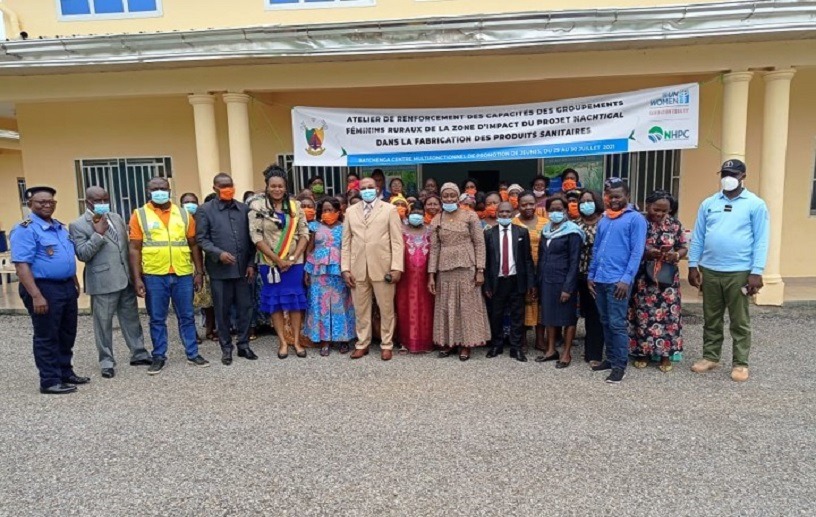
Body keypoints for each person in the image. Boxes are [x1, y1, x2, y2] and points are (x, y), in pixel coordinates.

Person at [688, 159, 769, 382]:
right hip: (711, 269)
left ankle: (740, 362)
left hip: (740, 271)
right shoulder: (709, 203)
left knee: (739, 319)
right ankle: (710, 356)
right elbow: (699, 236)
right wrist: (693, 264)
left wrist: (757, 271)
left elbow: (761, 240)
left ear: (743, 176)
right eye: (724, 173)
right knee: (711, 317)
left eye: (733, 173)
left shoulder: (755, 204)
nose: (728, 177)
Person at [11, 186, 88, 394]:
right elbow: (21, 265)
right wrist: (36, 295)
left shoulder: (58, 227)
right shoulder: (25, 229)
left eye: (50, 202)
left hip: (65, 285)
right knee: (47, 334)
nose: (46, 205)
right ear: (30, 204)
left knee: (67, 332)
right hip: (43, 288)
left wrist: (74, 281)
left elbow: (65, 257)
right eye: (41, 202)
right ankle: (49, 380)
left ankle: (65, 372)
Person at [129, 177, 209, 374]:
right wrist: (137, 278)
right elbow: (134, 249)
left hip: (182, 273)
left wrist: (199, 272)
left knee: (187, 316)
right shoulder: (139, 215)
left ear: (169, 190)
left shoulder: (182, 214)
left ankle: (192, 353)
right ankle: (158, 356)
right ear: (148, 190)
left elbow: (193, 244)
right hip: (154, 275)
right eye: (155, 188)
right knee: (157, 318)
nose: (159, 191)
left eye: (163, 188)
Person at [69, 186, 151, 379]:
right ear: (88, 202)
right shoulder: (78, 224)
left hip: (125, 279)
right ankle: (106, 360)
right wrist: (98, 235)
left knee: (131, 319)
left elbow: (125, 248)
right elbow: (82, 254)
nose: (103, 203)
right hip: (103, 281)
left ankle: (138, 352)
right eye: (98, 200)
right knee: (103, 323)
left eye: (105, 199)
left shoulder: (116, 218)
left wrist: (135, 275)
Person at [587, 178, 647, 384]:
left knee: (616, 323)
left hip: (618, 281)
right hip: (600, 279)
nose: (613, 200)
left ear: (627, 197)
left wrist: (626, 278)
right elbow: (597, 249)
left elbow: (637, 251)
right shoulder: (604, 219)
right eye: (610, 196)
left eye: (618, 196)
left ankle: (619, 366)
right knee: (605, 321)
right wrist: (591, 275)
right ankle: (611, 359)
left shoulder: (635, 219)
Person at [195, 173, 258, 366]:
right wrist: (218, 253)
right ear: (215, 188)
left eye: (230, 185)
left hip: (243, 269)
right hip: (219, 271)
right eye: (223, 186)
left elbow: (252, 239)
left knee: (245, 308)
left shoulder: (244, 209)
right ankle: (226, 348)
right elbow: (202, 239)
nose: (227, 189)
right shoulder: (205, 210)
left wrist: (250, 264)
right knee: (222, 310)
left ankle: (244, 344)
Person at [249, 165, 310, 359]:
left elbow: (304, 233)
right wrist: (278, 260)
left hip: (294, 263)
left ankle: (297, 341)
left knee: (294, 302)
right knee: (275, 302)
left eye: (280, 186)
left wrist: (292, 258)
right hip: (270, 263)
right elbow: (256, 236)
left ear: (286, 187)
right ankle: (283, 342)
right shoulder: (257, 207)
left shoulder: (295, 206)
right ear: (267, 187)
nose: (277, 189)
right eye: (273, 186)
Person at [341, 177, 404, 361]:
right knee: (361, 309)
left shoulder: (390, 209)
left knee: (386, 308)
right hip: (357, 268)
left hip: (383, 267)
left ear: (377, 189)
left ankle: (386, 344)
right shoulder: (351, 212)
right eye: (363, 188)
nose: (367, 190)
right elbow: (346, 243)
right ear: (358, 190)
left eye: (371, 187)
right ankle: (362, 344)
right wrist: (345, 268)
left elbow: (397, 242)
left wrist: (396, 268)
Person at [427, 182, 491, 360]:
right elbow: (434, 249)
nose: (449, 198)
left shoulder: (470, 216)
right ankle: (449, 343)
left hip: (467, 267)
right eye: (445, 195)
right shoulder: (436, 220)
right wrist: (431, 275)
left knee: (467, 307)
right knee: (447, 306)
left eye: (452, 195)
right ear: (441, 198)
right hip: (445, 268)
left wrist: (480, 269)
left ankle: (466, 343)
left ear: (458, 196)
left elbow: (479, 243)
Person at [629, 190, 688, 373]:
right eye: (656, 209)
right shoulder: (640, 223)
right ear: (647, 205)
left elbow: (683, 247)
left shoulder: (675, 226)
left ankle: (665, 355)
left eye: (664, 211)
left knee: (668, 317)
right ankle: (643, 353)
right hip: (644, 278)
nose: (660, 214)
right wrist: (647, 253)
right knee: (642, 315)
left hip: (667, 279)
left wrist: (676, 254)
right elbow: (631, 246)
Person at [535, 196, 584, 368]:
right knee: (548, 316)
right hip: (546, 281)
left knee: (567, 318)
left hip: (564, 281)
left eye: (559, 209)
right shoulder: (546, 229)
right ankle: (550, 350)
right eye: (552, 209)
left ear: (565, 210)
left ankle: (566, 353)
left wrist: (568, 287)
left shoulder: (573, 231)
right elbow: (541, 257)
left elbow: (574, 261)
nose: (555, 213)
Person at [304, 196, 356, 356]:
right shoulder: (314, 226)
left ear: (338, 211)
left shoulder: (345, 227)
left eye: (331, 210)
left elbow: (350, 249)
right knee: (321, 305)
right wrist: (307, 271)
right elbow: (309, 249)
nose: (328, 213)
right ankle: (324, 340)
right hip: (318, 271)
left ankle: (343, 339)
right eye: (325, 210)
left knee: (342, 304)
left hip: (339, 270)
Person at [484, 201, 535, 362]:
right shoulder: (489, 234)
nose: (504, 215)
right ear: (497, 213)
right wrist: (486, 284)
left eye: (507, 212)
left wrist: (530, 283)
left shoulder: (521, 232)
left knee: (517, 315)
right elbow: (486, 262)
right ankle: (497, 345)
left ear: (512, 213)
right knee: (496, 314)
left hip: (516, 279)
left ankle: (516, 347)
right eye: (501, 212)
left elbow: (528, 259)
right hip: (497, 280)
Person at [395, 201, 435, 354]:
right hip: (405, 277)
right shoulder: (400, 230)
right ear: (408, 213)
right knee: (405, 307)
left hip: (426, 277)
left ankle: (427, 342)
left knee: (426, 308)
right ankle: (405, 341)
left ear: (424, 214)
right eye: (413, 213)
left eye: (419, 213)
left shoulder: (431, 231)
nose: (416, 216)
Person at [513, 191, 549, 351]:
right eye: (524, 204)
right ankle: (523, 340)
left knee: (540, 304)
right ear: (518, 205)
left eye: (531, 204)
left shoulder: (545, 222)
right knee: (522, 305)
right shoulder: (513, 222)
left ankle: (540, 340)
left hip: (542, 269)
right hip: (520, 271)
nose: (528, 207)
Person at [182, 193, 216, 343]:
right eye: (186, 202)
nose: (190, 204)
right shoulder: (179, 220)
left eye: (193, 202)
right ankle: (191, 333)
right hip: (184, 263)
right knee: (187, 302)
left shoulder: (203, 219)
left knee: (208, 300)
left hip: (204, 263)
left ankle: (210, 330)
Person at [576, 190, 604, 368]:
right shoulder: (574, 223)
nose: (586, 204)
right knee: (582, 312)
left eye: (590, 200)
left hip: (598, 274)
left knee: (595, 314)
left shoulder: (605, 222)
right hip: (578, 272)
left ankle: (594, 352)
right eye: (583, 201)